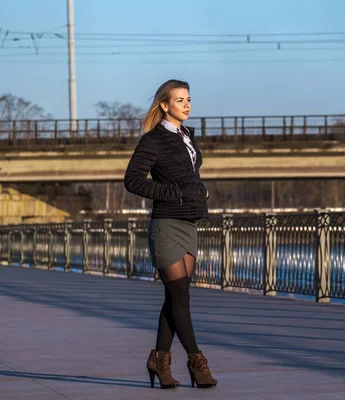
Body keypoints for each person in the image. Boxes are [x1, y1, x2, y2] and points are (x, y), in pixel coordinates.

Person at [124, 79, 217, 390]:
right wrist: (171, 193)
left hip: (189, 223)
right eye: (179, 100)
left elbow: (192, 174)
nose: (187, 104)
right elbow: (133, 180)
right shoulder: (153, 140)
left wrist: (199, 192)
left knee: (175, 298)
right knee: (180, 297)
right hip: (166, 224)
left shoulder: (187, 135)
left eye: (188, 99)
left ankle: (159, 360)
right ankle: (196, 360)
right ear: (164, 105)